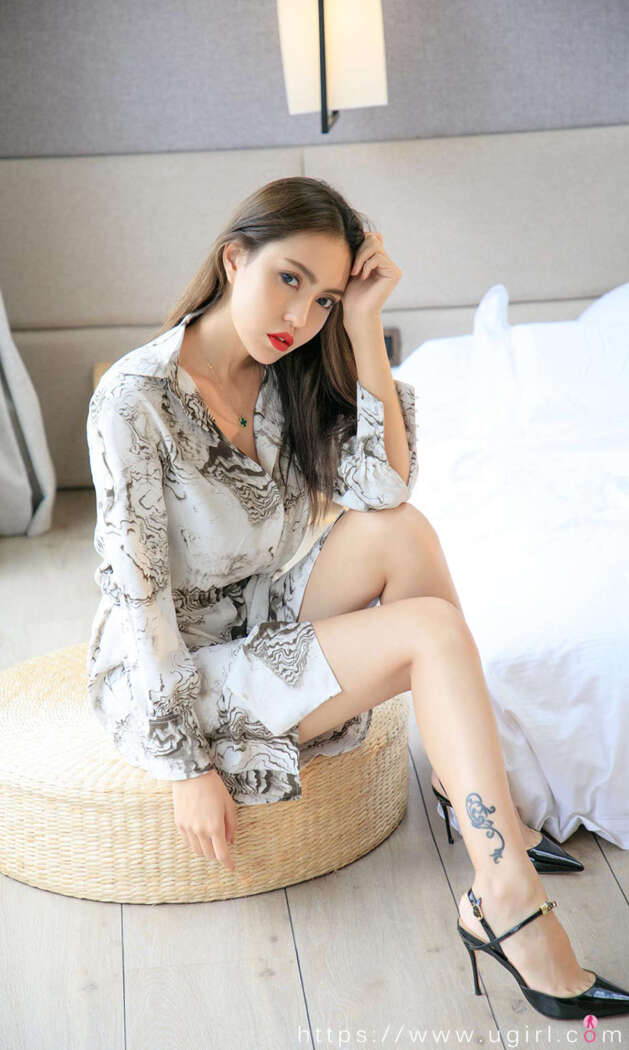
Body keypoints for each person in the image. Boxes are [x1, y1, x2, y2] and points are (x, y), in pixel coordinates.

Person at [85, 176, 629, 1019]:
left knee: (401, 531)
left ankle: (467, 802)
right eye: (288, 279)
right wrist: (187, 767)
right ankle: (506, 895)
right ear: (234, 260)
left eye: (324, 299)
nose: (299, 316)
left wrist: (364, 321)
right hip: (178, 669)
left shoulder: (286, 370)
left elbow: (384, 488)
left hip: (258, 615)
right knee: (430, 634)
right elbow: (140, 596)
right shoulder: (134, 398)